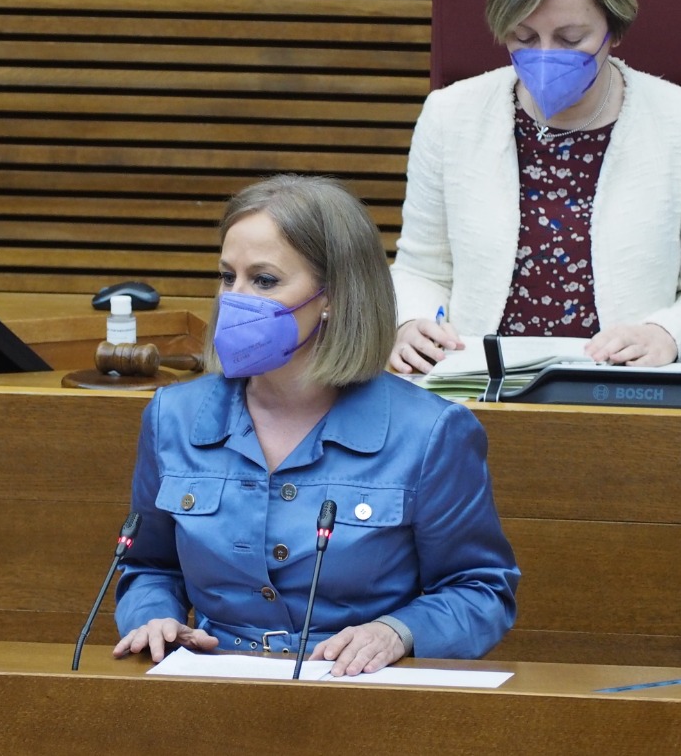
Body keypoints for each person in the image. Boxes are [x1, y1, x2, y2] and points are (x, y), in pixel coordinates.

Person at [112, 174, 519, 675]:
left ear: (332, 296)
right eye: (227, 276)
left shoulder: (431, 432)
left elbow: (480, 590)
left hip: (361, 691)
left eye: (263, 280)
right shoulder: (171, 416)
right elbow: (148, 566)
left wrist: (399, 631)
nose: (235, 299)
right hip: (210, 684)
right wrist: (155, 619)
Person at [390, 0, 681, 373]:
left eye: (570, 38)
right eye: (524, 36)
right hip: (475, 388)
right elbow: (421, 270)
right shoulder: (450, 115)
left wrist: (666, 334)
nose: (544, 57)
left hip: (620, 392)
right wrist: (412, 322)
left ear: (614, 27)